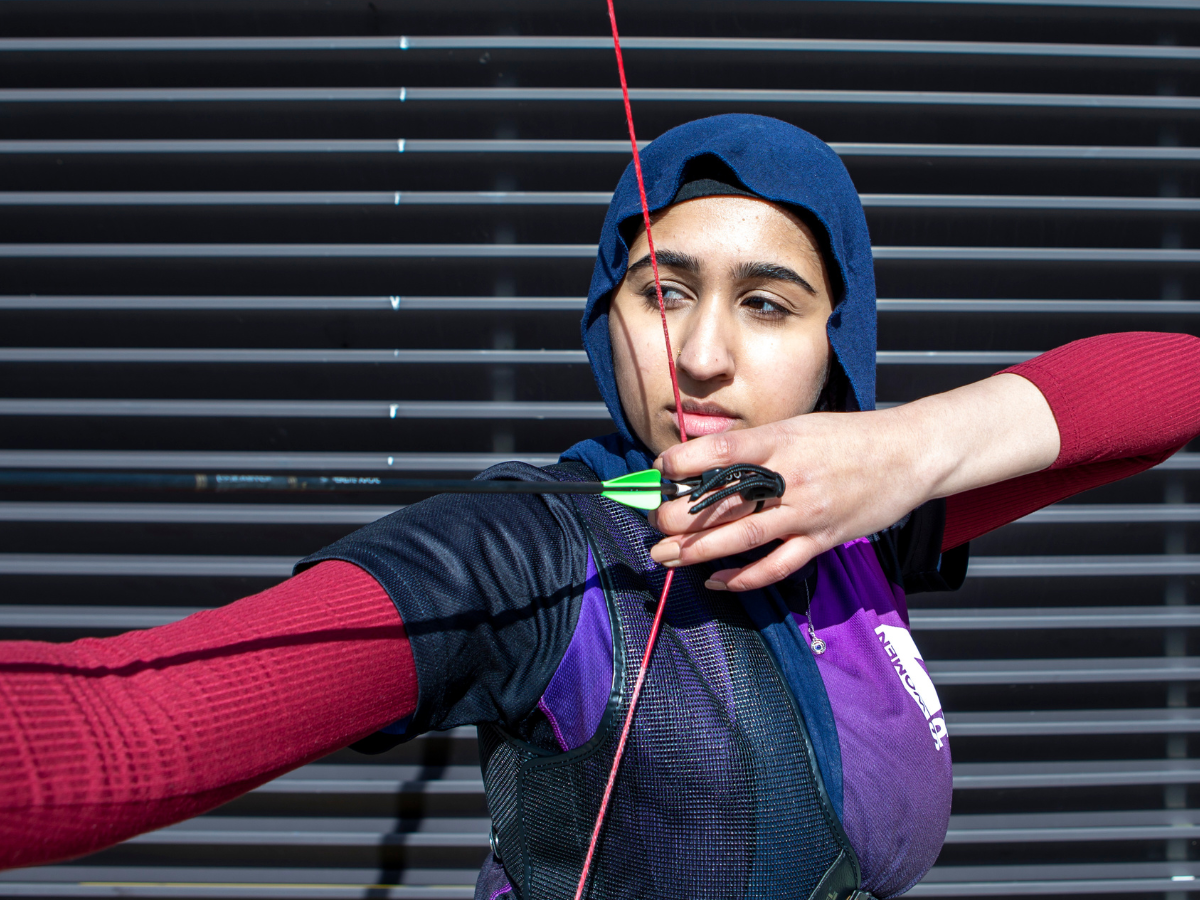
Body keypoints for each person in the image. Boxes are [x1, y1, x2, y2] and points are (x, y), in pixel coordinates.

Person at [2, 114, 1198, 900]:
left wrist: (901, 451)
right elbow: (124, 732)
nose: (704, 355)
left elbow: (1172, 384)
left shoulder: (861, 525)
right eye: (661, 292)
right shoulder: (527, 550)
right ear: (604, 318)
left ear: (843, 339)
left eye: (771, 304)